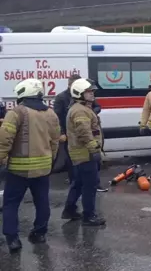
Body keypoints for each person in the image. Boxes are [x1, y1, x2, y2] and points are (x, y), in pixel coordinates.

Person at [0, 79, 60, 252]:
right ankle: (39, 233)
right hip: (42, 169)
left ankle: (13, 240)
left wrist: (1, 158)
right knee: (42, 202)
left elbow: (5, 140)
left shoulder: (16, 113)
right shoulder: (51, 114)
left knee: (11, 204)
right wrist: (51, 161)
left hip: (18, 170)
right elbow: (55, 141)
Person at [61, 78, 106, 226]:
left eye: (92, 91)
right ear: (79, 93)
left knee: (79, 183)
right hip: (85, 153)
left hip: (80, 153)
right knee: (89, 186)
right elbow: (84, 133)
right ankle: (89, 216)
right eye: (88, 91)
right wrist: (94, 149)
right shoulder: (80, 111)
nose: (92, 93)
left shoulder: (81, 108)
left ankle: (70, 210)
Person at [54, 74, 107, 192]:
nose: (92, 93)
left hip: (81, 139)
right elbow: (57, 118)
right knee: (76, 168)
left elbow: (97, 107)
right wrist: (61, 132)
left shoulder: (85, 101)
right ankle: (83, 191)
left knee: (82, 178)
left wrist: (91, 112)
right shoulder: (63, 99)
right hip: (72, 136)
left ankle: (72, 204)